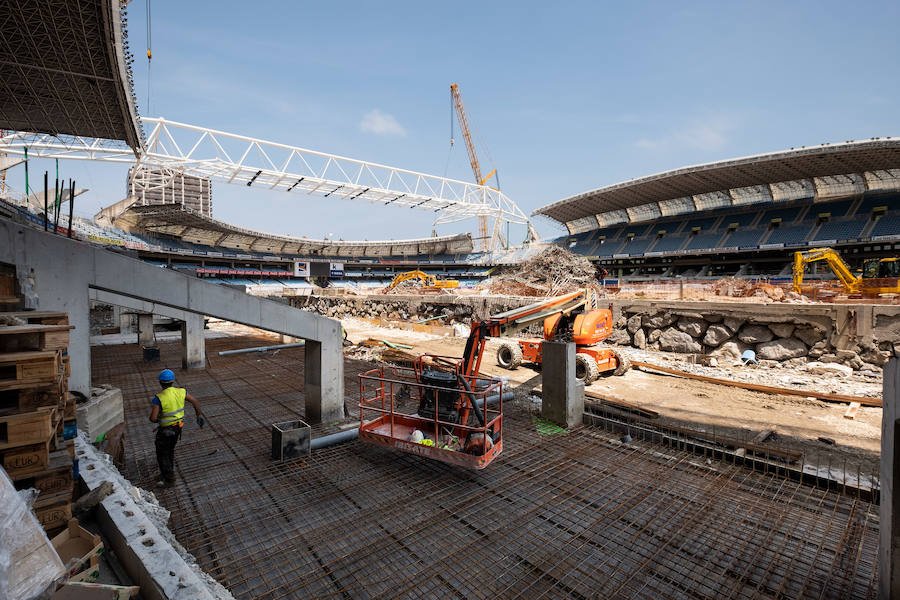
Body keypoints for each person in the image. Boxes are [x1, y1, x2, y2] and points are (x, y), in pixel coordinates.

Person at [148, 369, 205, 487]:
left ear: (160, 383)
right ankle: (167, 473)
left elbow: (153, 418)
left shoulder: (159, 398)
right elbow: (194, 401)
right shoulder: (181, 392)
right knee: (170, 451)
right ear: (173, 381)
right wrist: (199, 415)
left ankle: (169, 479)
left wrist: (160, 418)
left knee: (163, 453)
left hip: (165, 431)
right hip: (177, 428)